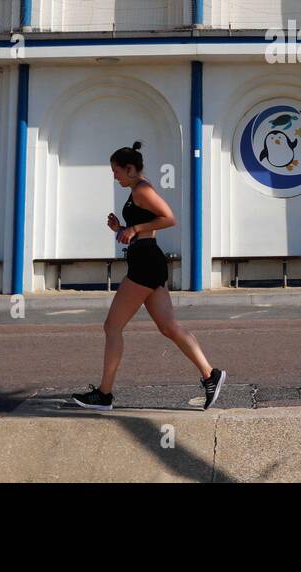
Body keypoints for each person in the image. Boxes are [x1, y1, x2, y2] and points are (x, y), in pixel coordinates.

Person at [73, 142, 226, 411]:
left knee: (112, 327)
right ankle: (210, 374)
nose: (114, 176)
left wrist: (133, 227)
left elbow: (169, 218)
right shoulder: (137, 190)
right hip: (147, 258)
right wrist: (120, 228)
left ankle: (104, 395)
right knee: (168, 327)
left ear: (130, 168)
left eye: (116, 171)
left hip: (145, 261)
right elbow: (144, 227)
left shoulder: (142, 189)